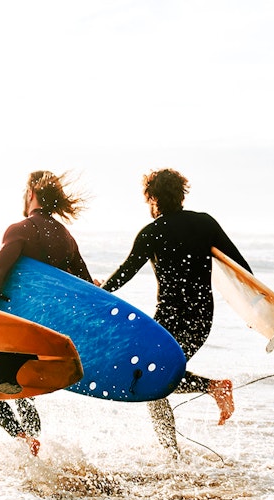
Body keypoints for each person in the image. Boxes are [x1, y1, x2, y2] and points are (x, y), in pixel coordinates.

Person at [100, 168, 251, 458]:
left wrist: (99, 293)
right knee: (152, 379)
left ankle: (175, 450)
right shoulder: (204, 223)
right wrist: (258, 314)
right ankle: (175, 447)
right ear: (181, 194)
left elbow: (125, 273)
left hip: (169, 321)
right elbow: (241, 268)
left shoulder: (152, 232)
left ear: (152, 198)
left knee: (148, 380)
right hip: (202, 318)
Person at [0, 170, 94, 456]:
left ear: (30, 195)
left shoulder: (20, 229)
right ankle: (35, 448)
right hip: (46, 333)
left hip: (15, 329)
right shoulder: (67, 238)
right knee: (24, 392)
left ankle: (25, 439)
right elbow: (87, 287)